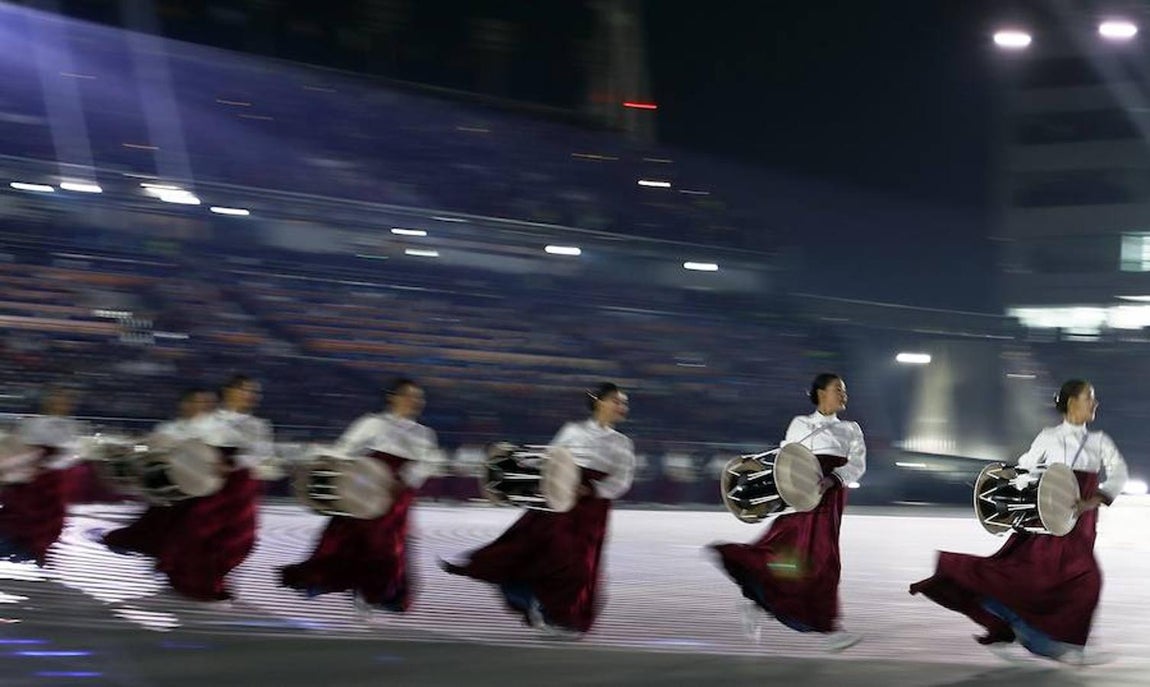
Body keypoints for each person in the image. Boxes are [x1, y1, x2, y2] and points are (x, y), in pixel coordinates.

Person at [910, 379, 1128, 665]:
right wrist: (1029, 488)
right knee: (1058, 580)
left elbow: (1119, 472)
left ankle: (1055, 641)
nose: (1095, 403)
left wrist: (1094, 499)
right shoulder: (1049, 436)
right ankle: (1052, 642)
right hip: (1047, 525)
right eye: (1090, 397)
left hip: (1080, 526)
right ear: (1073, 402)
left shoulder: (1099, 441)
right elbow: (1025, 468)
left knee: (1081, 581)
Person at [442, 382, 635, 638]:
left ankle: (561, 617)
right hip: (558, 500)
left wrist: (593, 490)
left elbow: (622, 479)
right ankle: (535, 601)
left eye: (624, 403)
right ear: (598, 402)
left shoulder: (622, 443)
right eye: (616, 401)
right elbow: (552, 460)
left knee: (579, 566)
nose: (621, 407)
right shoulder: (573, 430)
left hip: (591, 510)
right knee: (545, 552)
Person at [709, 372, 866, 652]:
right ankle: (826, 629)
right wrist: (790, 494)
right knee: (792, 557)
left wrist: (832, 479)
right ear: (820, 393)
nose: (844, 395)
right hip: (799, 498)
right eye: (838, 389)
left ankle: (759, 605)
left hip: (829, 500)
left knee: (820, 561)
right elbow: (785, 459)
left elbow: (858, 465)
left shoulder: (851, 429)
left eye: (844, 390)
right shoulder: (799, 424)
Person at [280, 378, 439, 616]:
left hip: (397, 495)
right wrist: (317, 457)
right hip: (365, 488)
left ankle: (374, 593)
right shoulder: (373, 423)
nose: (414, 401)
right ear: (392, 397)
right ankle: (334, 582)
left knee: (388, 546)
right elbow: (345, 449)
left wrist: (407, 477)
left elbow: (430, 462)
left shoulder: (425, 434)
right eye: (408, 395)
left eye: (418, 398)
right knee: (350, 538)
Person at [155, 375, 273, 602]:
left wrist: (233, 461)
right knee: (199, 531)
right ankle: (196, 580)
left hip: (241, 485)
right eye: (245, 389)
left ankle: (214, 576)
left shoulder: (259, 425)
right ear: (228, 391)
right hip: (208, 481)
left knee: (241, 539)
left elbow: (261, 454)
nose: (250, 395)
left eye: (254, 392)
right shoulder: (207, 419)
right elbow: (180, 438)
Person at [102, 387, 217, 557]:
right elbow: (147, 446)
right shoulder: (169, 428)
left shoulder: (214, 431)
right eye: (195, 401)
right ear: (184, 404)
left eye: (203, 402)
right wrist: (133, 448)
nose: (199, 406)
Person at [0, 386, 85, 565]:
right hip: (31, 476)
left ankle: (34, 546)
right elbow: (20, 447)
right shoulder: (32, 423)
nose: (60, 403)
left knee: (47, 516)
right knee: (22, 511)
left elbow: (71, 452)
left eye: (65, 400)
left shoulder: (72, 426)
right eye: (56, 399)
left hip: (54, 480)